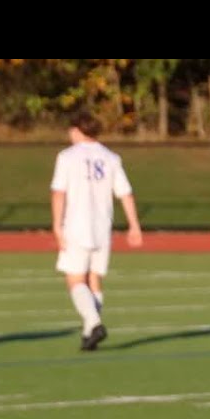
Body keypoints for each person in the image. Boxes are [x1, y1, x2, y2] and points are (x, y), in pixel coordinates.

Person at [50, 112, 143, 350]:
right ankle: (88, 334)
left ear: (77, 130)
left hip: (76, 226)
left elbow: (58, 192)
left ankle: (94, 322)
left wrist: (57, 225)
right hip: (102, 227)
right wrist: (134, 225)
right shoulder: (111, 157)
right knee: (94, 280)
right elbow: (125, 193)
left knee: (75, 280)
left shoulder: (67, 157)